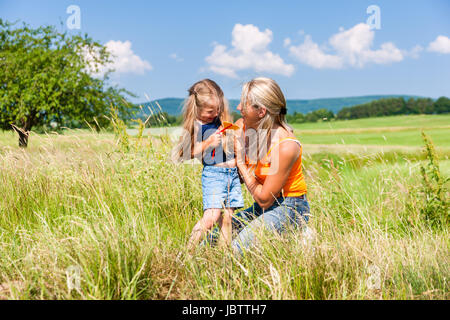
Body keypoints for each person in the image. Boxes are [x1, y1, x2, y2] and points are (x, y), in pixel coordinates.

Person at [230, 77, 311, 255]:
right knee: (214, 236)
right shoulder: (244, 127)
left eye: (244, 104)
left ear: (261, 112)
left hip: (289, 207)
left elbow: (264, 198)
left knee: (238, 250)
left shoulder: (286, 146)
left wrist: (241, 162)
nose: (238, 108)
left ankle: (298, 230)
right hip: (264, 206)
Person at [172, 79, 244, 251]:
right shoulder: (197, 125)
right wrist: (207, 143)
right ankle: (187, 252)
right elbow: (185, 153)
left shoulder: (220, 121)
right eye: (211, 111)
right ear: (197, 108)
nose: (216, 113)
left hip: (232, 175)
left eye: (218, 109)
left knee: (228, 219)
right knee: (211, 217)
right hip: (214, 175)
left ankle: (223, 256)